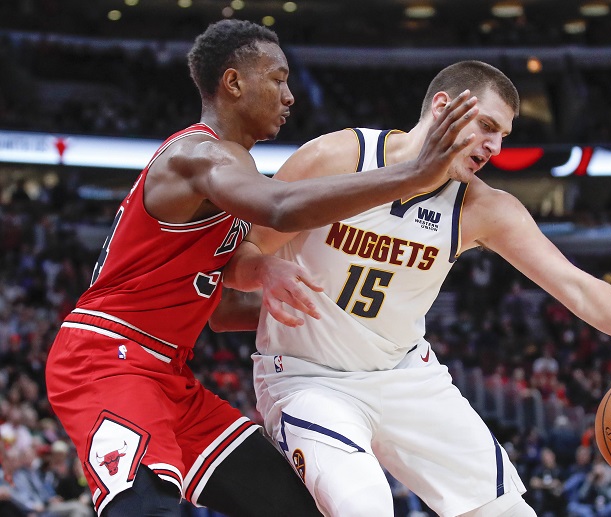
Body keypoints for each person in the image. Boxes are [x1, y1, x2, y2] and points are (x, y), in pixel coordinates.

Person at [217, 60, 611, 516]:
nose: (495, 147)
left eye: (504, 136)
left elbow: (574, 285)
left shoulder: (482, 208)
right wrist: (263, 270)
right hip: (309, 378)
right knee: (363, 504)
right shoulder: (339, 156)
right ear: (443, 106)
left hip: (405, 374)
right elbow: (238, 255)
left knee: (506, 511)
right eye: (487, 126)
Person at [44, 20, 480, 517]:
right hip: (106, 356)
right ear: (234, 83)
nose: (290, 96)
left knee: (298, 508)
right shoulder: (196, 154)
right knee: (145, 510)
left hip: (168, 373)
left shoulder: (232, 170)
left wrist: (308, 297)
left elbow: (222, 310)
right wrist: (410, 174)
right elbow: (281, 208)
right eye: (278, 79)